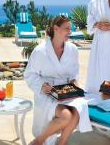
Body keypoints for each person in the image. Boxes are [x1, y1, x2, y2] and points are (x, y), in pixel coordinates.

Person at [24, 16, 91, 145]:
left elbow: (74, 73)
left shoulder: (72, 49)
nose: (70, 32)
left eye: (70, 28)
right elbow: (29, 74)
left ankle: (62, 143)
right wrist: (42, 85)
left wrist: (74, 82)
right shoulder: (40, 51)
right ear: (56, 28)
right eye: (67, 28)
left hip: (66, 91)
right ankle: (39, 141)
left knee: (77, 111)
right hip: (47, 93)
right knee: (66, 116)